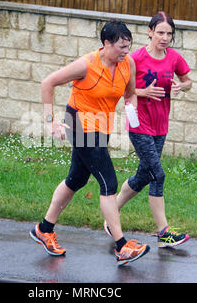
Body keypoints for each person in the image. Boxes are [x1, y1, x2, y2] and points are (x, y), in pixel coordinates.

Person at [30, 20, 150, 266]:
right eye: (121, 46)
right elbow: (48, 83)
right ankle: (122, 245)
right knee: (109, 182)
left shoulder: (128, 64)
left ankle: (44, 229)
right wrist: (50, 121)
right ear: (106, 44)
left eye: (128, 46)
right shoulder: (87, 64)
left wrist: (133, 116)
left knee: (77, 179)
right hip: (79, 124)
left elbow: (129, 94)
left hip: (101, 126)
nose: (126, 51)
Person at [104, 12, 192, 248]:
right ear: (150, 32)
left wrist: (181, 86)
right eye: (160, 32)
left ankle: (112, 215)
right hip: (139, 124)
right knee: (158, 174)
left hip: (160, 124)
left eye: (169, 33)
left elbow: (188, 81)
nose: (165, 37)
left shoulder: (173, 58)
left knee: (144, 175)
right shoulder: (135, 58)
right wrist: (143, 92)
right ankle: (164, 232)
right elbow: (123, 90)